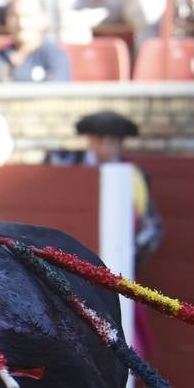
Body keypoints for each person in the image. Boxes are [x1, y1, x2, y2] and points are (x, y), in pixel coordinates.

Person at [45, 110, 164, 275]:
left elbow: (152, 229)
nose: (104, 147)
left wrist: (129, 257)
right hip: (65, 259)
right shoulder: (64, 162)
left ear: (120, 144)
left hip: (115, 263)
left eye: (111, 141)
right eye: (98, 140)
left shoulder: (134, 177)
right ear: (90, 140)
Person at [0, 0, 71, 83]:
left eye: (28, 16)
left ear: (43, 19)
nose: (22, 24)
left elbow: (56, 92)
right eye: (15, 16)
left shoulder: (55, 56)